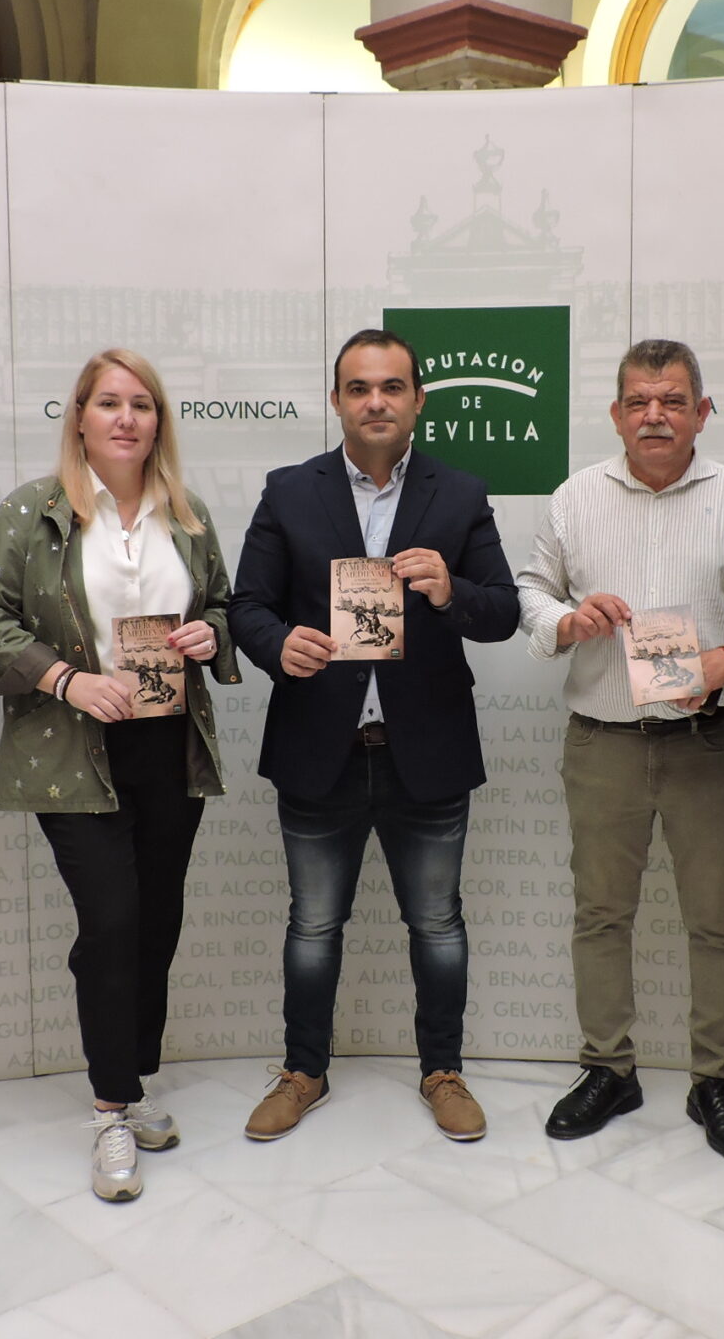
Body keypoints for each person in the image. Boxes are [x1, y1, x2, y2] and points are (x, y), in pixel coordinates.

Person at [229, 328, 519, 1143]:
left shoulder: (460, 494)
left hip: (426, 750)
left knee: (438, 925)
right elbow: (246, 606)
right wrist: (277, 645)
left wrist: (450, 591)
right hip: (318, 748)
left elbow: (503, 612)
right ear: (337, 401)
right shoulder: (290, 491)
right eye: (359, 388)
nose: (376, 402)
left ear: (418, 399)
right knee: (313, 926)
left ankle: (443, 1071)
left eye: (392, 387)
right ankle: (304, 1071)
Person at [0, 350, 239, 1203]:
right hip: (72, 751)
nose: (126, 418)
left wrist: (211, 636)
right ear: (79, 416)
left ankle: (135, 1078)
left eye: (142, 404)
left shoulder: (187, 515)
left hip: (168, 747)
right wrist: (66, 679)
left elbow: (222, 606)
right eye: (109, 403)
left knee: (156, 923)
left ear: (159, 422)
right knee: (112, 923)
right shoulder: (33, 511)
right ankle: (109, 1108)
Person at [515, 339, 724, 1162]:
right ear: (617, 414)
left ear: (702, 412)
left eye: (672, 401)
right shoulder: (575, 497)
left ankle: (716, 1079)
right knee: (600, 914)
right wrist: (566, 621)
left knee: (717, 921)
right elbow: (531, 589)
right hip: (604, 743)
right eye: (638, 402)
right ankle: (608, 1068)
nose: (654, 416)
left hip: (706, 742)